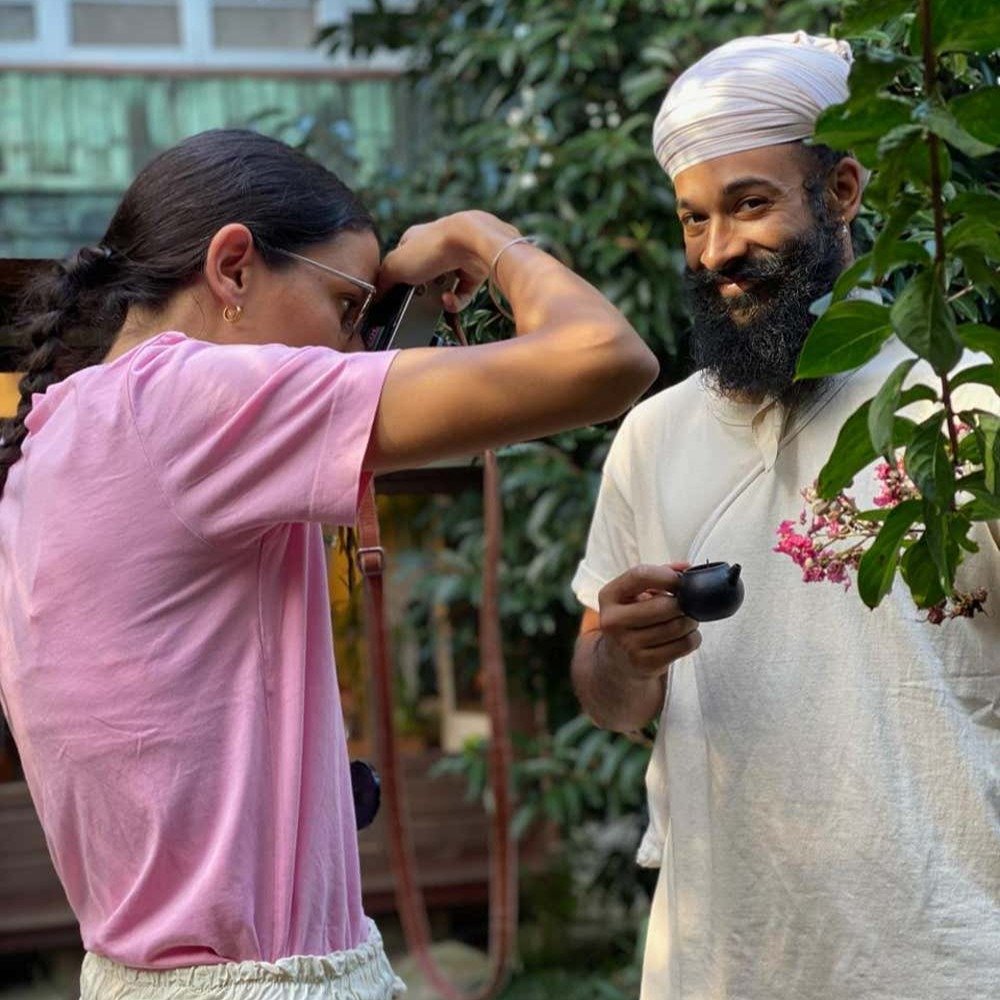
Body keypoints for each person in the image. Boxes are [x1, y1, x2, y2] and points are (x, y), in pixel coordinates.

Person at [0, 128, 658, 1000]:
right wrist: (477, 236)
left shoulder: (56, 431)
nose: (353, 352)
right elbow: (607, 361)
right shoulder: (191, 399)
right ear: (233, 269)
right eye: (350, 308)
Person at [570, 32, 1000, 1000]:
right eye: (691, 220)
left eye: (750, 203)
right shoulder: (651, 434)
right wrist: (624, 654)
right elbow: (608, 697)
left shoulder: (966, 405)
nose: (718, 250)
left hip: (952, 952)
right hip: (723, 958)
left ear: (843, 192)